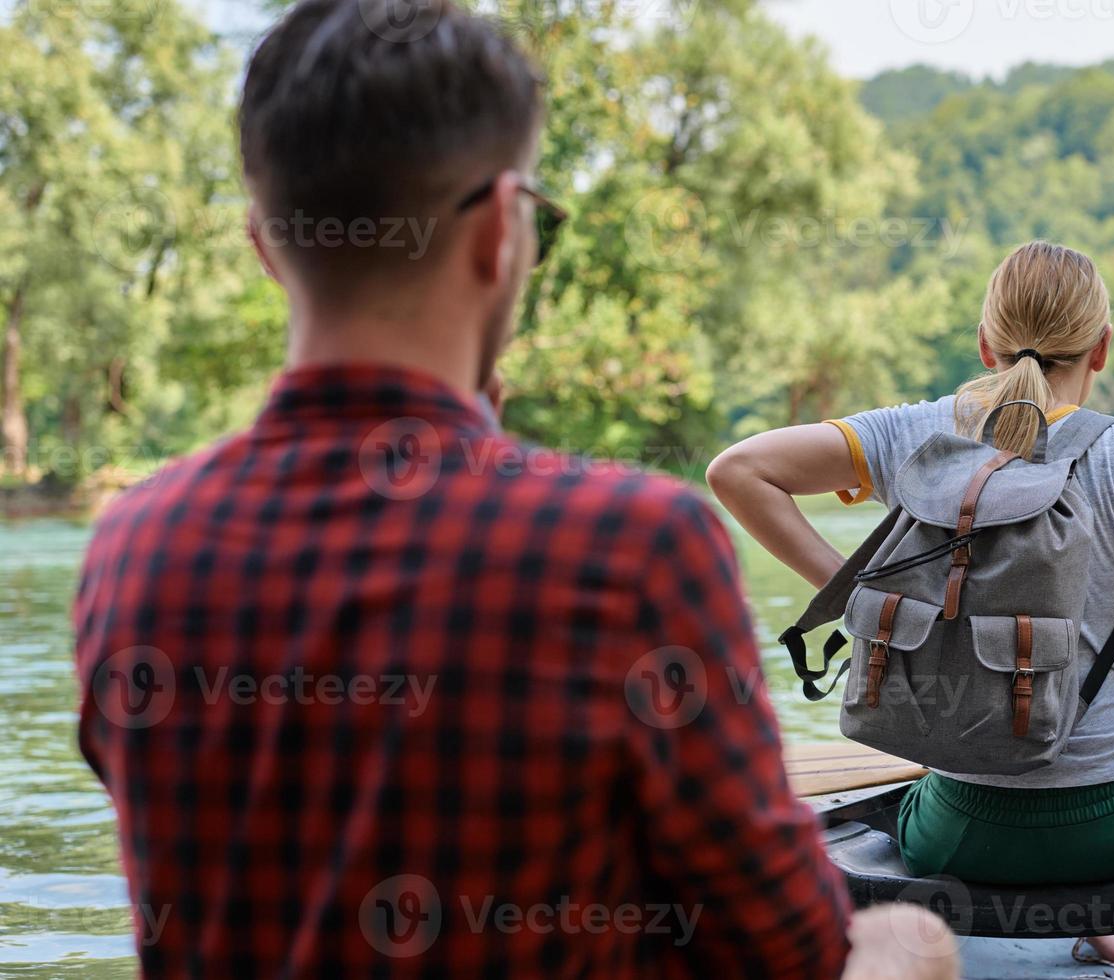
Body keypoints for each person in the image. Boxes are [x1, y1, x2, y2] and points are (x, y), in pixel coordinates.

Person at [72, 1, 957, 976]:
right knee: (906, 937)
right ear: (501, 229)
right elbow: (791, 949)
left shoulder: (132, 546)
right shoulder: (630, 547)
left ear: (263, 243)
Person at [708, 240, 1114, 969]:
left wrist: (857, 594)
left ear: (985, 345)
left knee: (926, 790)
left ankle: (1082, 912)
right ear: (1101, 350)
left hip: (961, 832)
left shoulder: (915, 435)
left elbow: (738, 471)